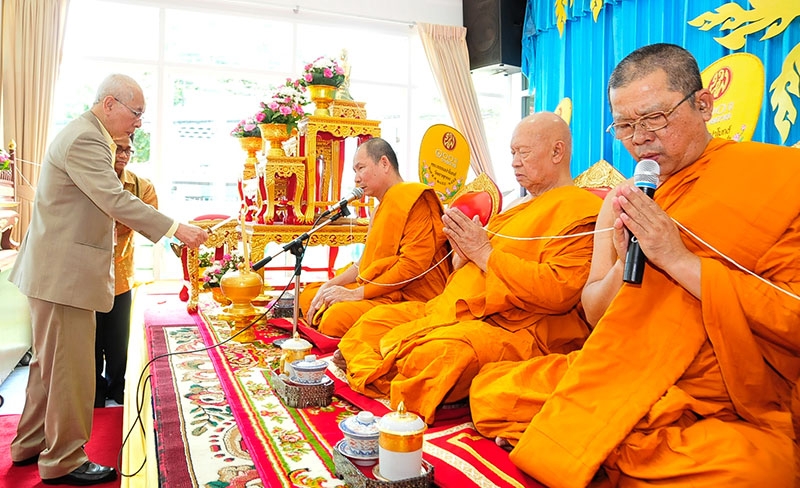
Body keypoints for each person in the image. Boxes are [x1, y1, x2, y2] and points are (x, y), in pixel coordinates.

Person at [469, 43, 800, 487]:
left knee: (758, 472)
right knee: (490, 391)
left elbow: (790, 313)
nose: (639, 138)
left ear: (703, 105)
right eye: (625, 124)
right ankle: (608, 441)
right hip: (624, 366)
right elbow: (593, 312)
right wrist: (624, 262)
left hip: (717, 392)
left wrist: (678, 260)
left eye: (655, 119)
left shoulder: (780, 180)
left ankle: (595, 442)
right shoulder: (623, 201)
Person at [337, 112, 602, 424]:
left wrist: (484, 254)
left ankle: (421, 394)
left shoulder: (582, 212)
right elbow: (472, 270)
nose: (515, 162)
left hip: (515, 325)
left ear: (557, 152)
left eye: (524, 153)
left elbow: (559, 292)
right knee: (372, 324)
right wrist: (463, 256)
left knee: (440, 354)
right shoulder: (519, 209)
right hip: (453, 309)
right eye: (512, 153)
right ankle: (413, 383)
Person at [8, 74, 208, 486]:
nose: (138, 123)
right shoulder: (88, 139)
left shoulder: (87, 133)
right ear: (111, 103)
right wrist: (177, 229)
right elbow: (114, 200)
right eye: (136, 113)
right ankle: (63, 459)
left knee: (49, 366)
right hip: (64, 275)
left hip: (55, 272)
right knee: (71, 370)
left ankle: (28, 444)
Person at [298, 137, 451, 337]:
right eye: (355, 171)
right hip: (379, 291)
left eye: (361, 168)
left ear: (384, 163)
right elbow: (363, 265)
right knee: (310, 294)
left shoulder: (415, 199)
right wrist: (330, 285)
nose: (356, 178)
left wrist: (355, 294)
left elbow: (412, 266)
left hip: (411, 298)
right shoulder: (379, 208)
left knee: (335, 318)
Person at [94, 135, 157, 407]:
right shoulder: (92, 181)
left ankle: (118, 391)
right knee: (91, 342)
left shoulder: (141, 185)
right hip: (89, 276)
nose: (123, 155)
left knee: (119, 340)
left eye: (128, 150)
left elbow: (151, 221)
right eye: (118, 149)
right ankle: (94, 393)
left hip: (120, 276)